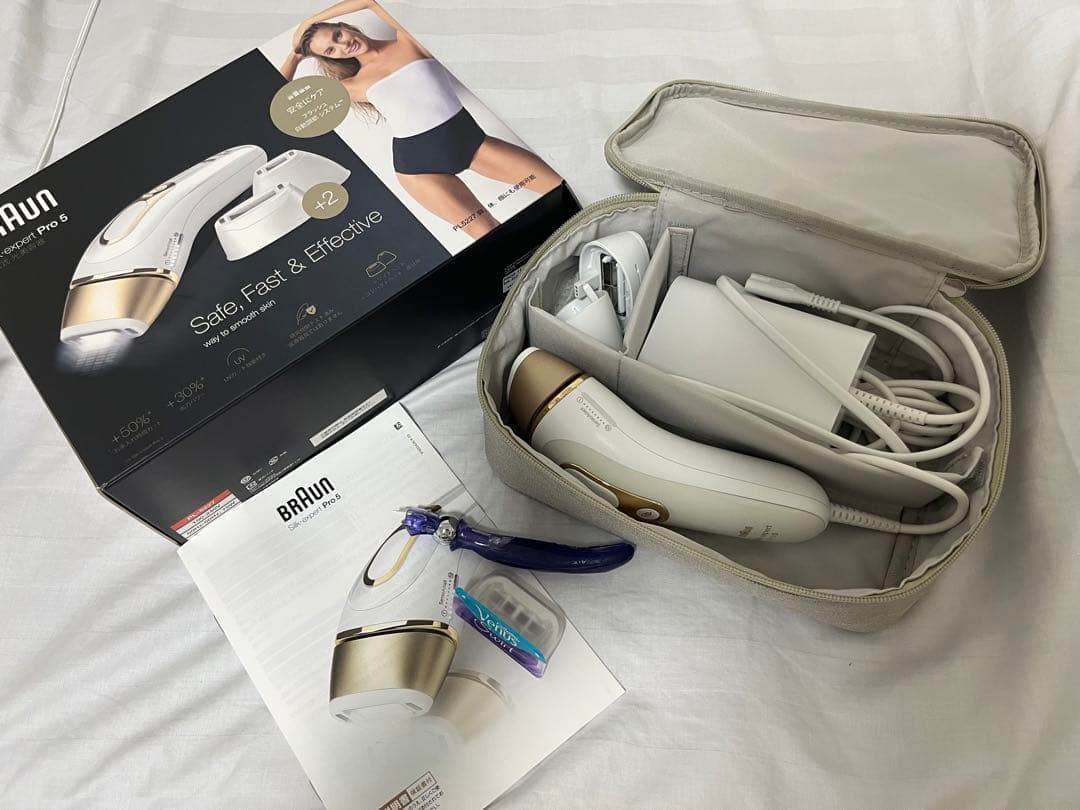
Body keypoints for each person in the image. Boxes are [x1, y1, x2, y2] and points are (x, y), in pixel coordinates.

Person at [280, 0, 562, 240]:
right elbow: (274, 104)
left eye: (337, 35)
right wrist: (295, 55)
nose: (342, 45)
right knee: (490, 235)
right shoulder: (351, 87)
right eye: (331, 50)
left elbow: (372, 2)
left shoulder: (408, 40)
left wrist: (311, 20)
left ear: (346, 26)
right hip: (417, 169)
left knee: (558, 185)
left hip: (472, 143)